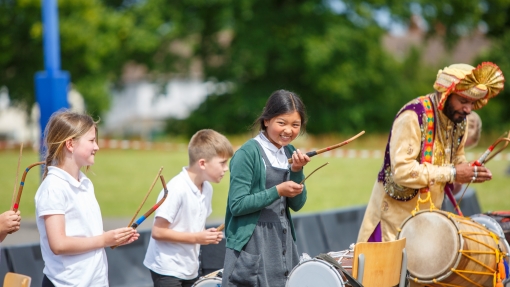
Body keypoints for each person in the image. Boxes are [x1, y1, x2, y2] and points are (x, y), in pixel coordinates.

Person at [357, 62, 505, 243]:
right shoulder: (414, 115)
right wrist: (453, 173)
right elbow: (402, 172)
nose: (468, 109)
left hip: (428, 224)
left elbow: (456, 168)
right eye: (463, 101)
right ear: (445, 94)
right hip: (392, 226)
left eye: (472, 103)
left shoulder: (458, 121)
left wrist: (468, 174)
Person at [35, 110, 139, 287]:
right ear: (70, 144)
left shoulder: (85, 183)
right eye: (91, 141)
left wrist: (113, 238)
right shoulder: (53, 187)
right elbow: (58, 244)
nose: (96, 146)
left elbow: (85, 236)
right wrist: (105, 240)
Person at [221, 89, 311, 287]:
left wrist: (296, 170)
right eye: (282, 123)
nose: (289, 130)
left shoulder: (290, 152)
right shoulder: (247, 153)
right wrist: (277, 190)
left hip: (282, 240)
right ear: (266, 120)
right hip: (252, 243)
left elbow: (297, 204)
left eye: (295, 125)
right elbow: (237, 204)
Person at [143, 129, 234, 287]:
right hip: (167, 269)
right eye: (222, 163)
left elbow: (195, 226)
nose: (226, 168)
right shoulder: (176, 189)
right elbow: (158, 232)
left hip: (190, 268)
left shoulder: (207, 189)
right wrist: (198, 237)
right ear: (202, 163)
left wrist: (206, 235)